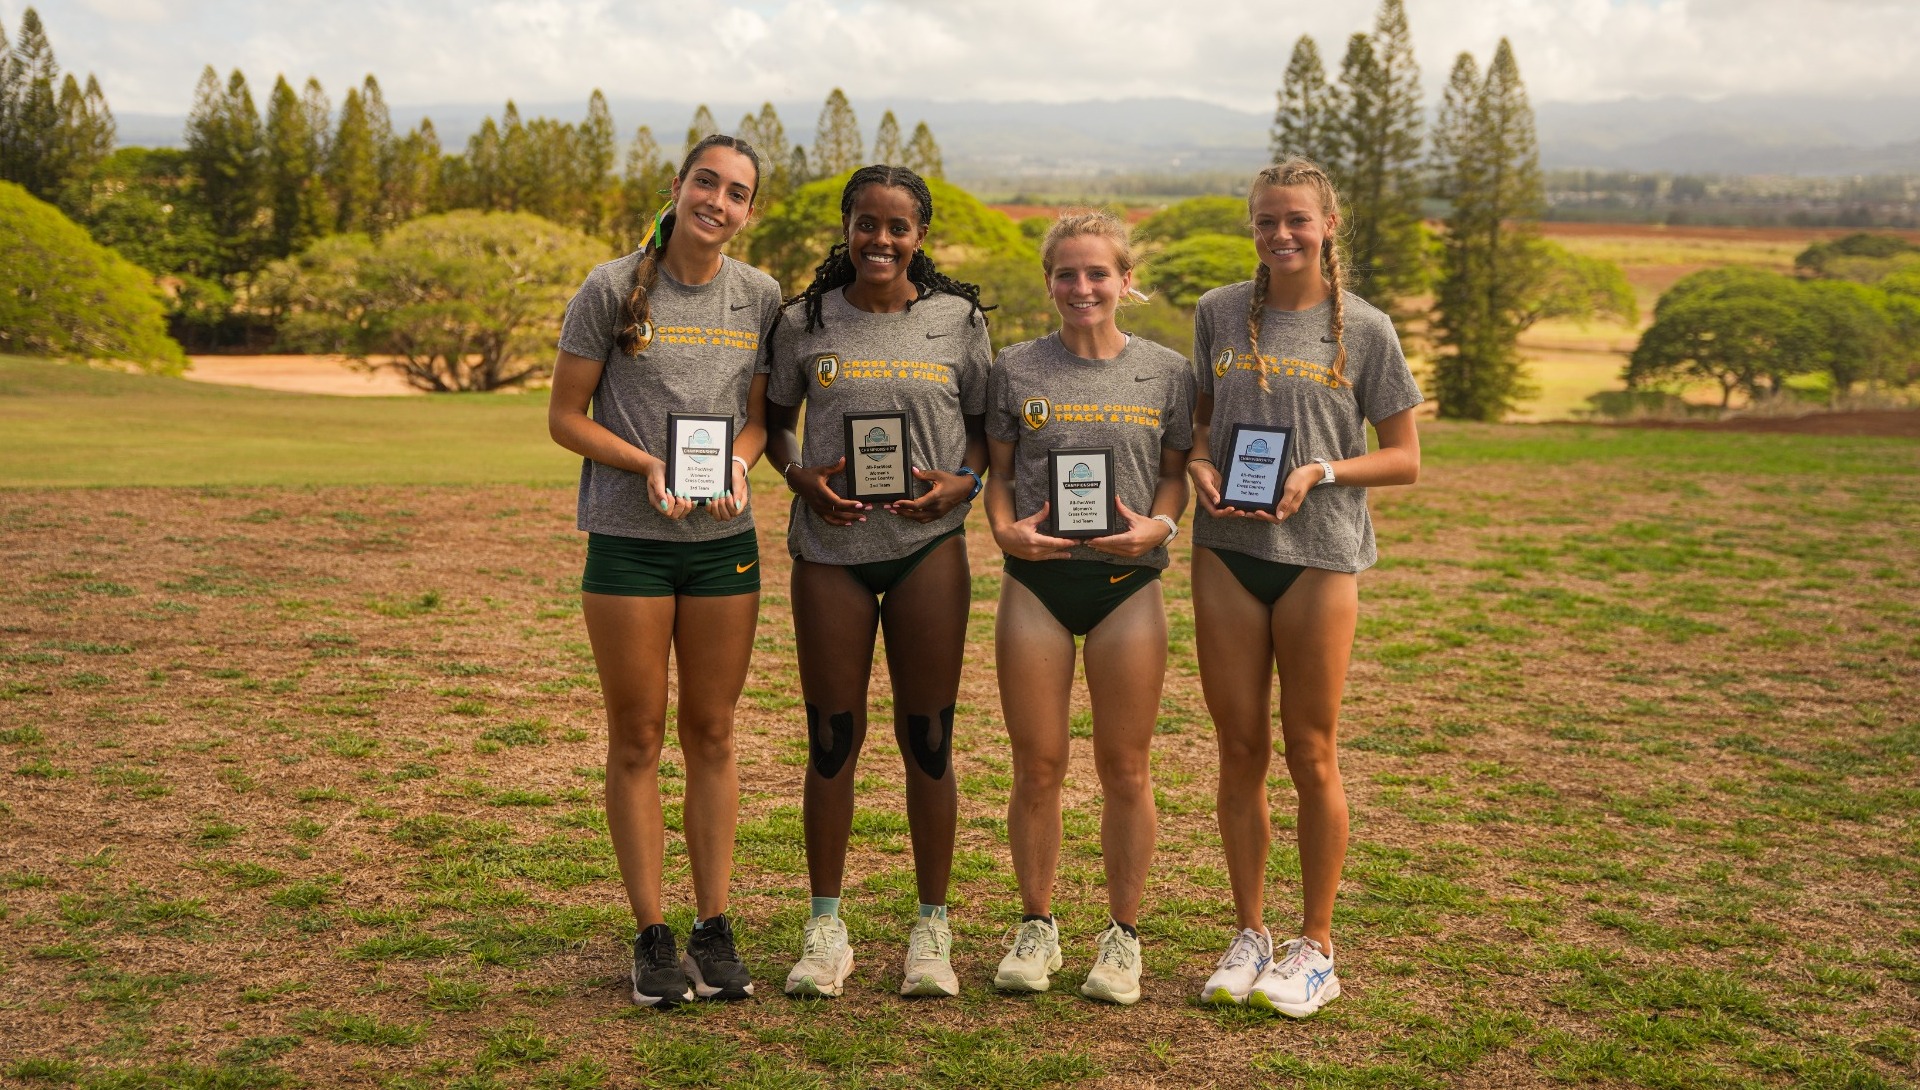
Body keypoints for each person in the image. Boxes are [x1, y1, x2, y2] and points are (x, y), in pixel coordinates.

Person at [548, 133, 781, 1008]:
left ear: (749, 211)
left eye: (737, 193)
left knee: (713, 734)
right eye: (706, 182)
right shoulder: (611, 288)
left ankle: (712, 926)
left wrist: (738, 467)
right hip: (629, 545)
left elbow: (758, 422)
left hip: (723, 546)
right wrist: (644, 465)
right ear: (679, 188)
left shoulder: (758, 296)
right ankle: (651, 935)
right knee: (639, 736)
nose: (718, 201)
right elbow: (565, 417)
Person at [1187, 159, 1422, 1017]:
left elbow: (1404, 458)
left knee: (1309, 749)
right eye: (1264, 222)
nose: (1280, 236)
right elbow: (1203, 422)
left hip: (1320, 554)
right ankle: (1250, 932)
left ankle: (1315, 944)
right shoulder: (1216, 313)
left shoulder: (1366, 329)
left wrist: (1323, 469)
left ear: (1328, 226)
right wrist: (1202, 464)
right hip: (1225, 553)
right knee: (1239, 749)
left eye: (1296, 221)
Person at [765, 165, 993, 999]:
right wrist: (796, 476)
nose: (882, 241)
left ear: (920, 236)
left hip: (928, 546)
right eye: (868, 224)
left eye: (899, 227)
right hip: (831, 549)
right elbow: (775, 424)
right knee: (833, 739)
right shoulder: (804, 321)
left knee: (927, 739)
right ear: (847, 227)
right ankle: (826, 928)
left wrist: (960, 484)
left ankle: (931, 930)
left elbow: (982, 431)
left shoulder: (958, 322)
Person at [983, 211, 1192, 1006]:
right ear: (1049, 283)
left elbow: (1175, 472)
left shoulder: (1168, 372)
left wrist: (1159, 526)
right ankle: (1036, 925)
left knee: (1125, 770)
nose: (1083, 288)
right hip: (1036, 582)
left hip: (1126, 587)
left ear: (1125, 281)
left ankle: (1122, 938)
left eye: (1098, 273)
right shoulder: (1015, 369)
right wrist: (1003, 530)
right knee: (1037, 767)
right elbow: (1000, 475)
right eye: (1066, 274)